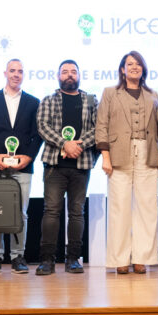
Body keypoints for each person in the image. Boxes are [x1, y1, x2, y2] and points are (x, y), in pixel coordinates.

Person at [96, 51, 158, 274]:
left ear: (143, 69)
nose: (134, 67)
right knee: (119, 207)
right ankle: (120, 259)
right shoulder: (110, 93)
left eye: (138, 64)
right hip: (118, 153)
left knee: (146, 207)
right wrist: (105, 156)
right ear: (122, 69)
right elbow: (102, 125)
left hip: (147, 152)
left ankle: (141, 258)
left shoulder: (153, 95)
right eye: (130, 64)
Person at [0, 59, 42, 274]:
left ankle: (18, 256)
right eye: (12, 70)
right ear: (5, 73)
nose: (16, 74)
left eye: (20, 71)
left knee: (20, 213)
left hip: (23, 167)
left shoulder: (33, 102)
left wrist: (29, 157)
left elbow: (37, 135)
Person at [35, 60, 97, 276]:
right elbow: (42, 126)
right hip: (54, 165)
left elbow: (99, 128)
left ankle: (73, 259)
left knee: (77, 213)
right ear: (58, 76)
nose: (69, 75)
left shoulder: (91, 100)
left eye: (73, 72)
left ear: (79, 75)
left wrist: (78, 145)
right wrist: (65, 144)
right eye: (65, 72)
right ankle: (47, 260)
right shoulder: (48, 100)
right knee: (51, 211)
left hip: (81, 163)